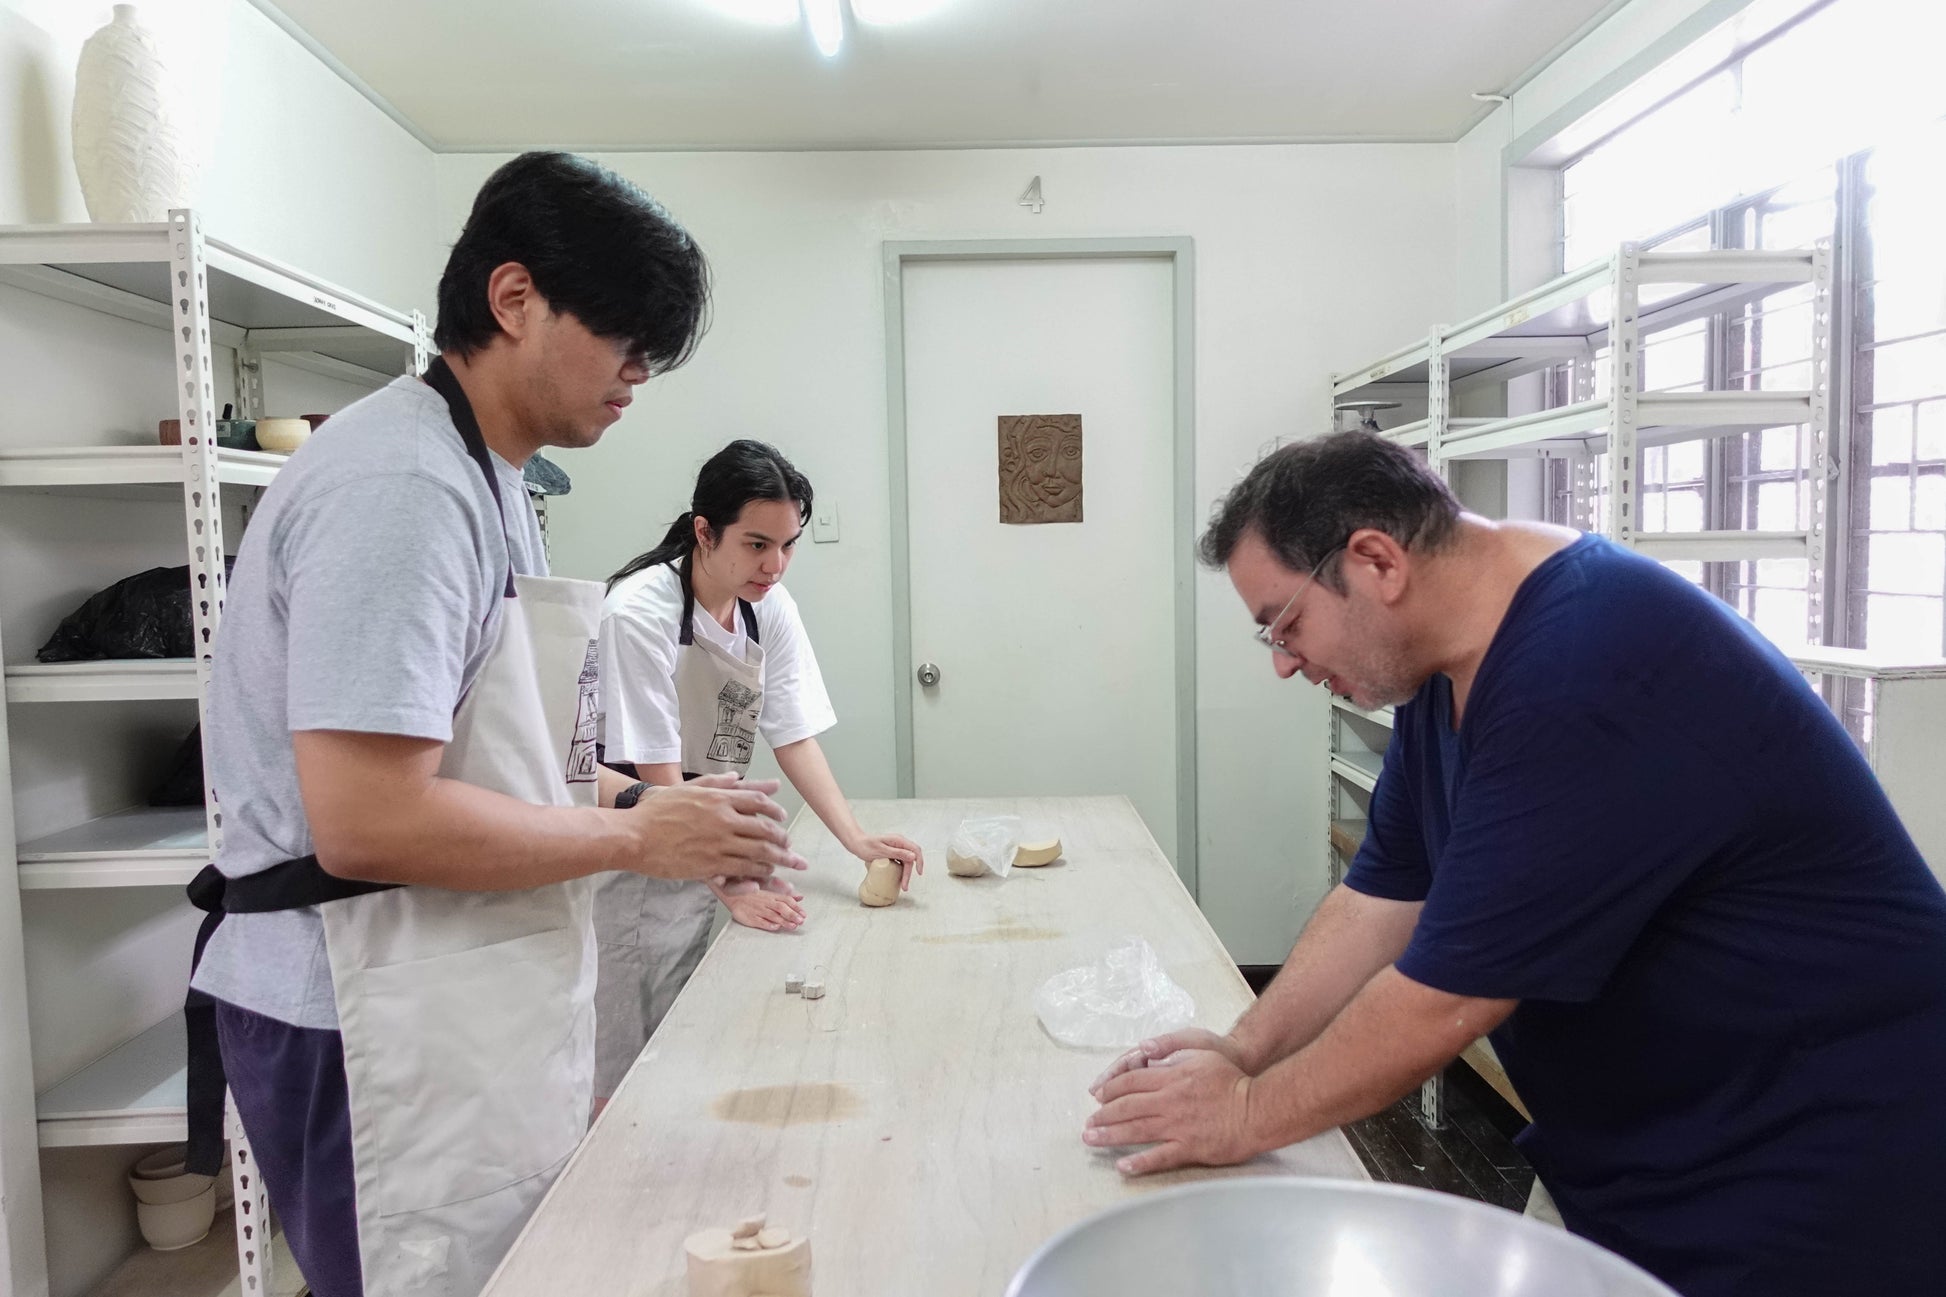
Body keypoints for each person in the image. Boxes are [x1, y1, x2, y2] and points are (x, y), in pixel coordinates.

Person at [1085, 431, 1946, 1297]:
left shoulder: (1584, 662)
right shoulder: (1447, 669)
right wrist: (1243, 1050)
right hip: (1652, 1152)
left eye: (1285, 622)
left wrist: (1246, 1113)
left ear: (1377, 561)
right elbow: (1383, 896)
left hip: (1815, 1165)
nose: (1282, 661)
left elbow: (1445, 998)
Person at [183, 152, 807, 1297]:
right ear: (513, 297)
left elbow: (511, 760)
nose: (638, 374)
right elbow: (368, 820)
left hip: (449, 989)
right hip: (362, 1006)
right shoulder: (403, 487)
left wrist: (657, 808)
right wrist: (638, 836)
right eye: (624, 336)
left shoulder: (495, 482)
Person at [592, 439, 923, 1095]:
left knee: (676, 1038)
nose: (775, 565)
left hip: (700, 834)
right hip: (628, 848)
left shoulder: (766, 604)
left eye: (788, 544)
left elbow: (793, 734)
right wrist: (734, 884)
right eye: (756, 544)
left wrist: (855, 840)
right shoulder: (637, 614)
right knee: (625, 1061)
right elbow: (661, 783)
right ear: (704, 532)